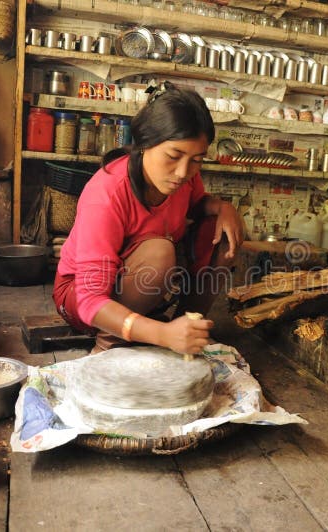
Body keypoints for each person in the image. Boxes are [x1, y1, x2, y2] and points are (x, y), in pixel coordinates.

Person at [53, 82, 243, 354]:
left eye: (196, 160)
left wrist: (223, 207)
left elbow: (197, 205)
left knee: (223, 231)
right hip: (81, 300)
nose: (182, 172)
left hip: (141, 290)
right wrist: (161, 334)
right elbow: (90, 300)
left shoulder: (185, 178)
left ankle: (188, 330)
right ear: (144, 144)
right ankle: (109, 345)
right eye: (173, 156)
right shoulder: (106, 193)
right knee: (159, 251)